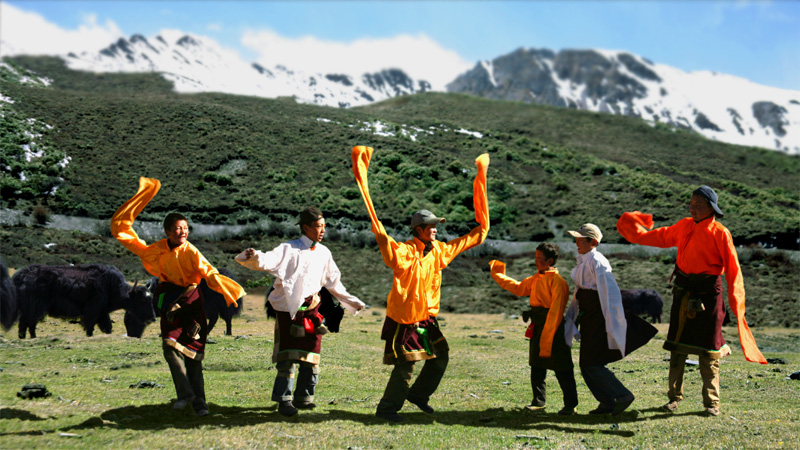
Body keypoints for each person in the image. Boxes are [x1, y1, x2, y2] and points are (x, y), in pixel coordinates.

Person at [351, 145, 490, 423]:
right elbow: (384, 239)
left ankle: (418, 396)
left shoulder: (439, 250)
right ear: (418, 231)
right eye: (431, 226)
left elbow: (469, 240)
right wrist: (377, 227)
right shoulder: (403, 252)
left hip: (426, 318)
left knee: (440, 357)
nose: (436, 229)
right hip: (405, 319)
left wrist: (482, 227)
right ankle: (387, 410)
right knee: (406, 366)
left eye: (436, 225)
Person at [616, 185, 766, 416]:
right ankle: (673, 399)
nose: (692, 208)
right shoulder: (684, 225)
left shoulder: (720, 232)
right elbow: (657, 236)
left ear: (711, 208)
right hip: (683, 291)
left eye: (698, 205)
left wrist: (737, 304)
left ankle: (712, 403)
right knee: (676, 349)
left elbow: (734, 270)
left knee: (709, 352)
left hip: (709, 294)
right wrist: (633, 228)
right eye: (691, 204)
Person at [111, 177, 245, 417]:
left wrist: (225, 288)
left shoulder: (192, 251)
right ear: (167, 232)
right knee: (169, 347)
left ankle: (200, 403)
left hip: (191, 303)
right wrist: (137, 202)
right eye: (177, 229)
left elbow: (208, 272)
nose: (182, 232)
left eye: (185, 228)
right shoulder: (157, 250)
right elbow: (125, 234)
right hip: (168, 301)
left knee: (193, 353)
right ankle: (185, 394)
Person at [235, 207, 365, 417]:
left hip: (313, 310)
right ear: (305, 227)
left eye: (324, 226)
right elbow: (269, 260)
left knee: (311, 355)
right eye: (318, 226)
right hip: (289, 309)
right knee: (287, 357)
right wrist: (254, 256)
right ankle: (284, 400)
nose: (322, 230)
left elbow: (334, 283)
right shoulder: (289, 248)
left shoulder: (324, 253)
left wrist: (353, 302)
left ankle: (304, 397)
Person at [563, 223, 656, 416]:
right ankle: (607, 402)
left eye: (581, 239)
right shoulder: (582, 261)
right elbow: (579, 292)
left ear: (593, 242)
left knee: (591, 363)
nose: (577, 242)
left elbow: (609, 293)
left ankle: (622, 395)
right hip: (588, 317)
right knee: (586, 364)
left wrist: (611, 321)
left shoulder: (598, 261)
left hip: (598, 317)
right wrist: (572, 317)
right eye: (577, 239)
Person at [489, 243, 578, 416]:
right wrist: (498, 274)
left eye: (539, 258)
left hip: (555, 327)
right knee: (536, 365)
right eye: (535, 257)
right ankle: (538, 402)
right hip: (538, 325)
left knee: (562, 367)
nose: (535, 261)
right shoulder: (536, 278)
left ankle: (570, 405)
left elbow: (556, 311)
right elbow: (518, 288)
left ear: (550, 260)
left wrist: (547, 335)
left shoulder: (558, 282)